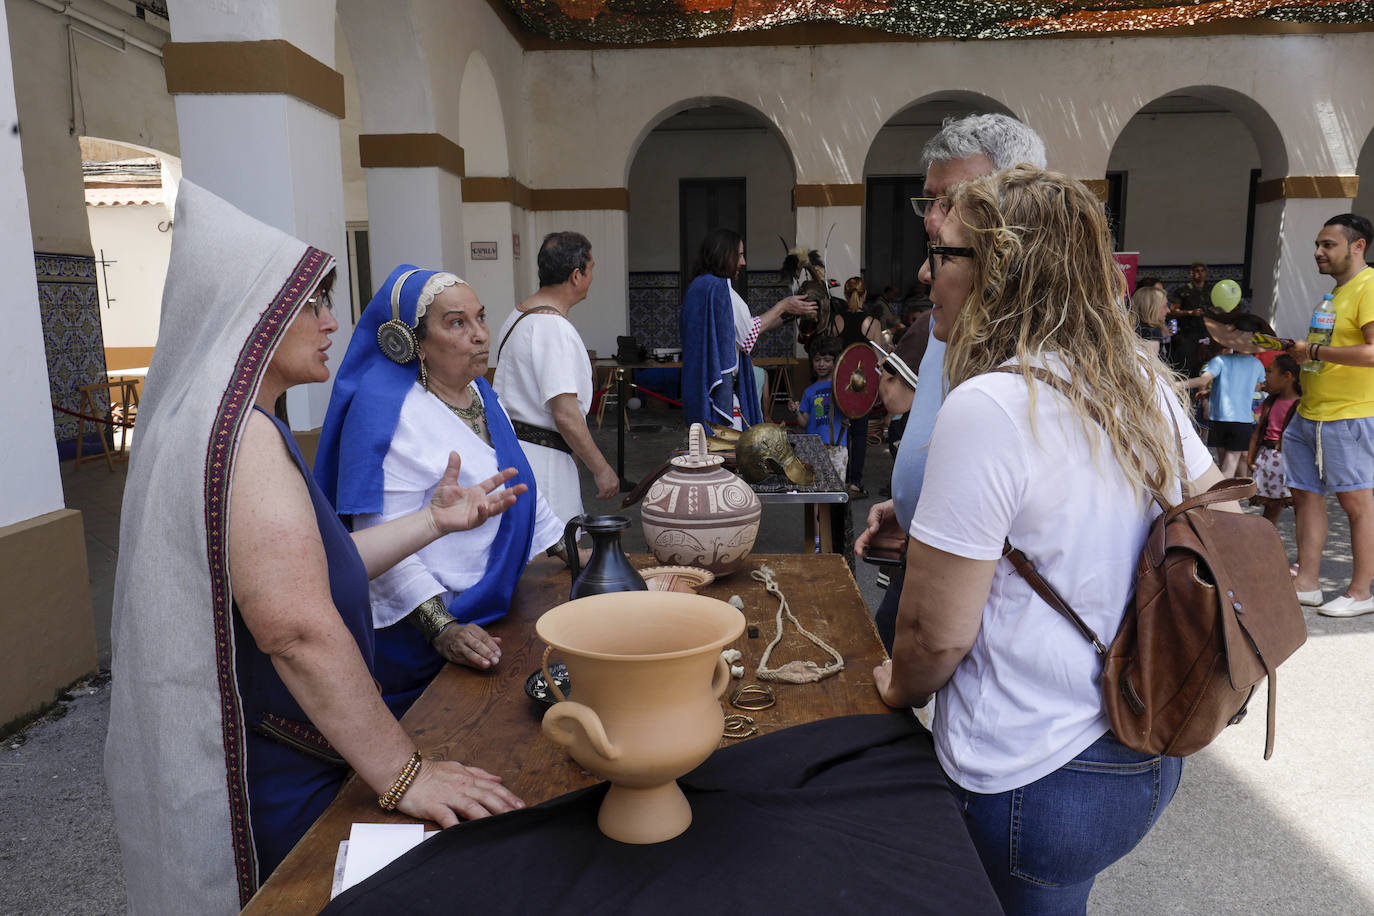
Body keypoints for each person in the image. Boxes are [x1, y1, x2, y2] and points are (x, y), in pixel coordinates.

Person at [105, 183, 524, 914]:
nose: (333, 321)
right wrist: (405, 774)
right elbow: (294, 628)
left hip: (283, 740)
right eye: (312, 304)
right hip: (276, 759)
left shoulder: (228, 424)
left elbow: (315, 573)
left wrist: (433, 523)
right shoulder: (247, 440)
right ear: (253, 316)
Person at [873, 165, 1229, 915]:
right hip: (1144, 741)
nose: (925, 272)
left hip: (1034, 774)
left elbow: (935, 637)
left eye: (945, 254)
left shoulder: (991, 405)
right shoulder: (1139, 378)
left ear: (1001, 270)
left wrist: (894, 688)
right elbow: (1213, 522)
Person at [315, 265, 565, 716]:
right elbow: (381, 538)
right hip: (422, 633)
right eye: (457, 323)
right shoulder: (387, 412)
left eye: (480, 318)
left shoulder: (480, 395)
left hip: (497, 605)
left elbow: (519, 487)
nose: (480, 335)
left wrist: (579, 549)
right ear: (411, 341)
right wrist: (442, 627)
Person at [856, 112, 1047, 653]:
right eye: (930, 201)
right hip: (928, 551)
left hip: (1001, 594)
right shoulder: (953, 295)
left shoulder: (1045, 330)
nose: (934, 221)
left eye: (956, 199)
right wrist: (913, 504)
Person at [495, 231, 618, 523]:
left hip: (517, 455)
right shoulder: (553, 328)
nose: (591, 277)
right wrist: (601, 469)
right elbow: (565, 415)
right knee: (556, 558)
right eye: (591, 269)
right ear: (577, 275)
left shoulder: (518, 315)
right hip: (545, 466)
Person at [1285, 213, 1374, 616]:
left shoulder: (1368, 287)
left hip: (1348, 416)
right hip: (1311, 413)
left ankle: (1360, 593)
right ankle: (1307, 583)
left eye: (1328, 245)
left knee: (1357, 504)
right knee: (1305, 496)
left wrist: (1315, 352)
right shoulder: (1335, 296)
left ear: (1358, 246)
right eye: (1317, 246)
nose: (1318, 253)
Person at [680, 227, 815, 430]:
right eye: (740, 255)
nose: (743, 262)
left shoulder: (698, 287)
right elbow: (748, 336)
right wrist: (783, 306)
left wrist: (788, 315)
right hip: (720, 394)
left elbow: (743, 329)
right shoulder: (720, 288)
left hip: (699, 386)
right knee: (728, 456)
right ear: (724, 255)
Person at [834, 276, 886, 496]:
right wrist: (879, 390)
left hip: (839, 386)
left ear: (845, 296)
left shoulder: (837, 320)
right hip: (861, 386)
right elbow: (878, 361)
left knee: (840, 430)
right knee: (859, 433)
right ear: (864, 295)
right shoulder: (873, 324)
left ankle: (838, 477)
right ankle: (854, 483)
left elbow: (833, 354)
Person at [1182, 345, 1265, 477]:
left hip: (1218, 419)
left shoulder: (1220, 360)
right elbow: (1258, 387)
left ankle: (1231, 494)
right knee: (1229, 467)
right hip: (1242, 420)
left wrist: (1174, 384)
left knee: (1223, 466)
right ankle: (1230, 496)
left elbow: (1203, 380)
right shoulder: (1257, 363)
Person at [1247, 354, 1302, 526]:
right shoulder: (1271, 401)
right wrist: (1251, 458)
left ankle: (1306, 545)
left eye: (1270, 371)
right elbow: (1258, 431)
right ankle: (1267, 543)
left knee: (1301, 506)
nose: (1266, 377)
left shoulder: (1302, 405)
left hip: (1291, 461)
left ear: (1287, 376)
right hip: (1268, 460)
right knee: (1271, 508)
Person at [788, 334, 847, 478]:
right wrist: (796, 411)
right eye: (817, 360)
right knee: (814, 487)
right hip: (812, 446)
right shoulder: (809, 391)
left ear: (836, 361)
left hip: (837, 447)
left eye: (827, 360)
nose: (821, 364)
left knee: (836, 490)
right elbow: (804, 422)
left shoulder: (842, 388)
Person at [1167, 261, 1211, 377]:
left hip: (1209, 331)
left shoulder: (1211, 290)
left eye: (1202, 271)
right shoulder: (1183, 291)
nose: (1200, 274)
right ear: (1191, 273)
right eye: (1197, 271)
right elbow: (1173, 311)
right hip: (1189, 332)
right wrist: (1190, 312)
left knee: (1208, 364)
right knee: (1187, 363)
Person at [1131, 284, 1168, 357]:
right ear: (1152, 309)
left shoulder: (1132, 327)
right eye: (1164, 306)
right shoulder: (1151, 333)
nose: (1168, 310)